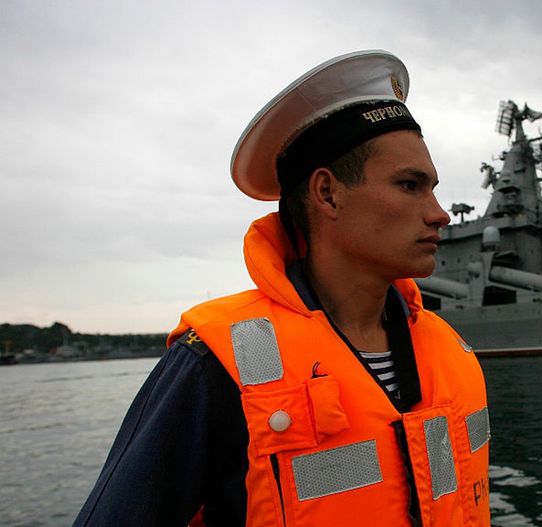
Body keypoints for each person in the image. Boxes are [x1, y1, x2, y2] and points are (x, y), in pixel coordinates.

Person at [74, 50, 491, 527]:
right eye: (410, 185)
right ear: (328, 193)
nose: (440, 213)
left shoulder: (449, 348)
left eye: (432, 187)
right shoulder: (215, 363)